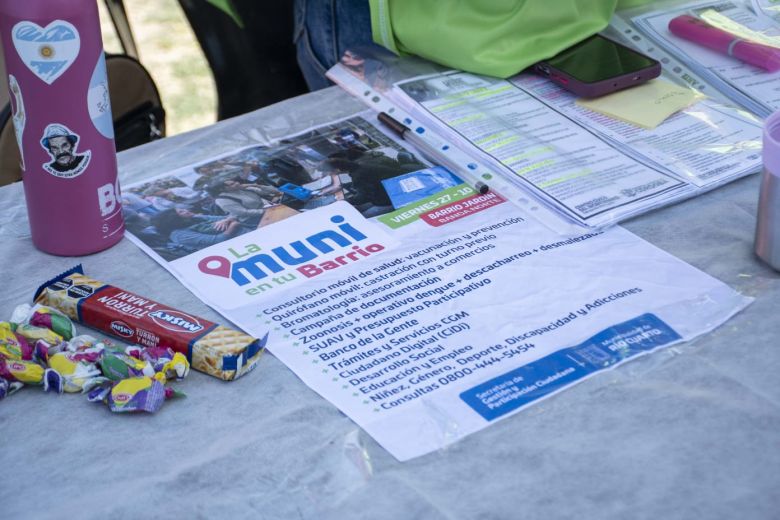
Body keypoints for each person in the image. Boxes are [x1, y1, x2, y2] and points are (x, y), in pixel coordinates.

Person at [152, 208, 244, 252]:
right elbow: (218, 240)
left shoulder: (194, 217)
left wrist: (226, 220)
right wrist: (233, 225)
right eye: (181, 211)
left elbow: (230, 216)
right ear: (173, 218)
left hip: (239, 233)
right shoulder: (180, 235)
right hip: (229, 249)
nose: (186, 210)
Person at [207, 179, 283, 227]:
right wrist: (266, 211)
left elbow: (274, 191)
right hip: (252, 218)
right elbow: (243, 213)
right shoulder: (223, 200)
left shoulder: (243, 189)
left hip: (267, 210)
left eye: (235, 182)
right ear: (223, 189)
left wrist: (256, 185)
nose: (237, 183)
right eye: (232, 184)